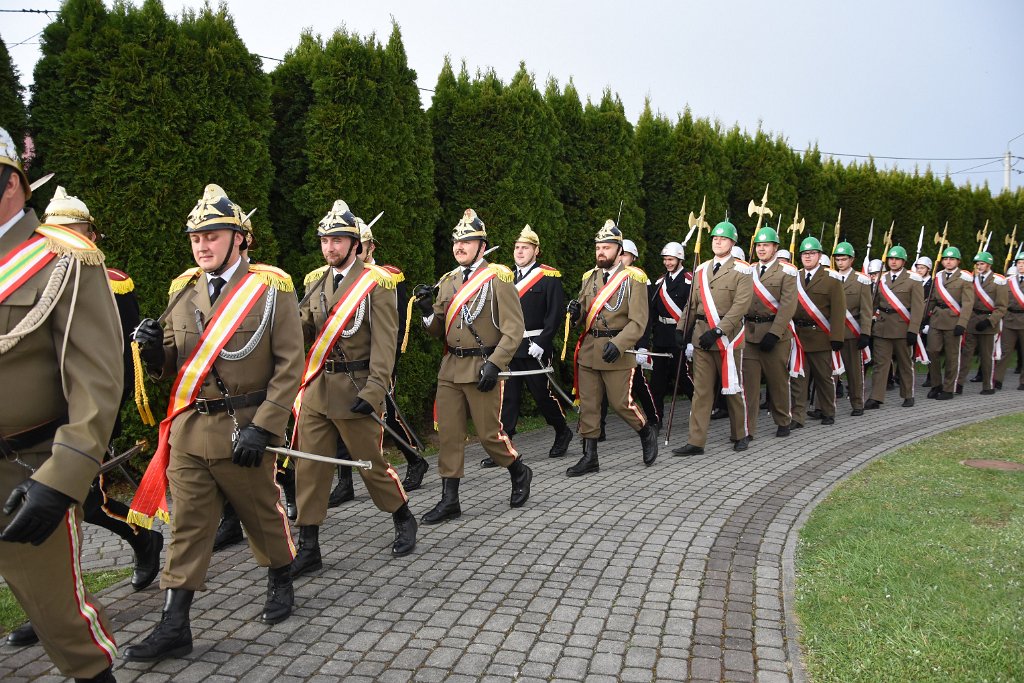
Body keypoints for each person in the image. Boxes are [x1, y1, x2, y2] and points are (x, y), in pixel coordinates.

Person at [126, 184, 302, 662]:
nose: (202, 246)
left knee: (260, 513)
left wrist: (265, 426)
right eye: (196, 238)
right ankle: (175, 623)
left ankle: (280, 574)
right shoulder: (183, 289)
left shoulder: (272, 289)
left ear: (239, 238)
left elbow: (290, 365)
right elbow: (173, 362)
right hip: (190, 428)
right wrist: (151, 352)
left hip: (243, 427)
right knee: (187, 525)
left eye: (212, 236)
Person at [6, 188, 166, 651]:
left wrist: (101, 424)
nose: (65, 240)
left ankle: (136, 544)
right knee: (70, 510)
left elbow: (119, 359)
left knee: (83, 504)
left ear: (92, 235)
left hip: (80, 420)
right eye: (57, 230)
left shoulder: (111, 281)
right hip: (35, 430)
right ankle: (51, 605)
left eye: (75, 231)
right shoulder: (21, 274)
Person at [0, 128, 122, 682]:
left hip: (24, 472)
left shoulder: (64, 261)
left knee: (63, 623)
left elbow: (97, 381)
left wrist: (62, 478)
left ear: (11, 182)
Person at [289, 200, 416, 579]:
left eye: (337, 240)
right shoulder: (316, 282)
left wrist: (374, 391)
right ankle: (309, 546)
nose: (329, 248)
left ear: (355, 244)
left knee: (370, 464)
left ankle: (402, 516)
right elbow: (304, 331)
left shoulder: (376, 283)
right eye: (325, 241)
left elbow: (385, 344)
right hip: (318, 389)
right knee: (309, 467)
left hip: (357, 387)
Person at [413, 209, 533, 523]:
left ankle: (518, 470)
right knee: (449, 435)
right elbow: (438, 330)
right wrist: (427, 312)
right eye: (457, 241)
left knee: (489, 435)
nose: (460, 246)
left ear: (482, 246)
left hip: (483, 366)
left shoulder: (498, 278)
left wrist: (495, 363)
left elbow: (514, 329)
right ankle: (449, 499)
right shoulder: (448, 281)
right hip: (451, 367)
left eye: (467, 241)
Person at [328, 216, 430, 498]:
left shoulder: (386, 277)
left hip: (375, 364)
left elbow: (395, 325)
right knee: (338, 417)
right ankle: (345, 482)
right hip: (341, 364)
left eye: (361, 245)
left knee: (389, 416)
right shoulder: (335, 277)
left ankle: (415, 459)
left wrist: (387, 367)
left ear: (371, 247)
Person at [565, 221, 656, 475]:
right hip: (590, 349)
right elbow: (583, 316)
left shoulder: (634, 279)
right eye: (598, 248)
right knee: (589, 404)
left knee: (620, 403)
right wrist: (575, 314)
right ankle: (590, 457)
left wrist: (619, 344)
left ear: (619, 250)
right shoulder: (589, 277)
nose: (601, 252)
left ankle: (646, 432)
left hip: (617, 349)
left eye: (606, 248)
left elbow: (638, 321)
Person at [672, 221, 753, 456]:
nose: (718, 241)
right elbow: (691, 304)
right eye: (715, 238)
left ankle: (740, 434)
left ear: (732, 242)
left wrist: (718, 331)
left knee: (732, 388)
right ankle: (696, 441)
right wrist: (681, 329)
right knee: (701, 391)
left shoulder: (742, 270)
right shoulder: (701, 269)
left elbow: (740, 306)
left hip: (728, 339)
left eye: (723, 238)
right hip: (701, 337)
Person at [493, 224, 571, 463]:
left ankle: (562, 431)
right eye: (517, 247)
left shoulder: (549, 277)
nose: (519, 251)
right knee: (508, 398)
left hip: (535, 346)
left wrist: (542, 341)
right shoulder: (505, 277)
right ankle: (505, 447)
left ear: (536, 250)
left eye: (525, 248)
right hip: (510, 347)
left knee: (542, 394)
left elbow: (555, 314)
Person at [743, 227, 798, 437]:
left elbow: (788, 306)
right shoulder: (748, 270)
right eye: (758, 245)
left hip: (775, 335)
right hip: (750, 333)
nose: (761, 249)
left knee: (778, 382)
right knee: (749, 385)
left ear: (775, 247)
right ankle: (748, 428)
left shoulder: (787, 271)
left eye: (766, 245)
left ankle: (783, 420)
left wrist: (774, 333)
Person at [789, 237, 846, 427]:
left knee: (824, 377)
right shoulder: (794, 277)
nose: (808, 257)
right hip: (798, 336)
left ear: (819, 256)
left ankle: (828, 411)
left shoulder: (831, 279)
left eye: (812, 253)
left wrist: (837, 337)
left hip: (820, 335)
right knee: (798, 378)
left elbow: (838, 310)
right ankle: (797, 417)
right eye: (805, 254)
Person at [639, 241, 694, 429]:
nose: (667, 263)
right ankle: (657, 418)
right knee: (657, 381)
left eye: (671, 260)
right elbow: (653, 311)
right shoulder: (660, 281)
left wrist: (690, 341)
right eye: (665, 260)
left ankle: (701, 409)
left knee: (683, 377)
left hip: (680, 335)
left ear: (680, 259)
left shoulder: (689, 281)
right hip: (662, 336)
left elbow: (693, 312)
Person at [865, 245, 924, 409]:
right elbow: (873, 304)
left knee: (905, 364)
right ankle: (876, 397)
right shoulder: (881, 279)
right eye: (891, 258)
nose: (893, 261)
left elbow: (918, 308)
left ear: (903, 261)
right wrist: (869, 324)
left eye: (897, 259)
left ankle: (908, 394)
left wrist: (913, 330)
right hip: (882, 327)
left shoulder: (913, 279)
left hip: (902, 328)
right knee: (880, 364)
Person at [924, 247, 973, 400]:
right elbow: (932, 299)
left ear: (958, 261)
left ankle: (949, 388)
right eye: (945, 259)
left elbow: (968, 303)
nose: (948, 262)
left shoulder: (965, 278)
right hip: (937, 318)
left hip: (954, 320)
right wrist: (923, 317)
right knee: (932, 351)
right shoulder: (938, 276)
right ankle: (936, 384)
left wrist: (962, 323)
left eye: (952, 259)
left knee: (952, 356)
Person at [956, 252, 1008, 394]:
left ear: (989, 265)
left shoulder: (998, 281)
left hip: (988, 322)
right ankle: (958, 384)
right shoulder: (972, 279)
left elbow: (1002, 307)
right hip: (972, 321)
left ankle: (988, 386)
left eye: (982, 264)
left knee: (986, 357)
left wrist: (990, 321)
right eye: (977, 264)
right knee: (966, 355)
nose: (979, 266)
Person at [831, 242, 873, 415]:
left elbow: (866, 310)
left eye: (844, 259)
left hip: (852, 332)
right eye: (838, 259)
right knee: (830, 371)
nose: (840, 262)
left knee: (854, 372)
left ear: (852, 260)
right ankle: (823, 406)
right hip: (832, 332)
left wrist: (865, 333)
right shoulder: (830, 277)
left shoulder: (861, 280)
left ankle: (857, 404)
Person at [994, 248, 1024, 390]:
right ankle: (997, 379)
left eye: (1023, 263)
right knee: (1004, 351)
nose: (1021, 266)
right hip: (1009, 319)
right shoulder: (1008, 281)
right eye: (1019, 263)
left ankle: (1023, 382)